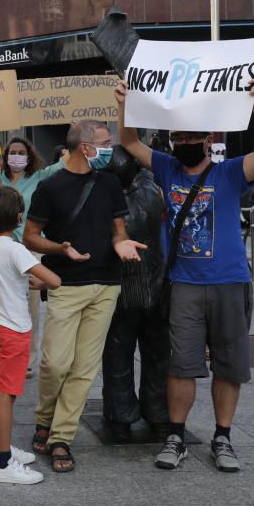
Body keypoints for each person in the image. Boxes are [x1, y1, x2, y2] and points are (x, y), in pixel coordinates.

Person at [116, 78, 254, 472]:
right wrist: (125, 104)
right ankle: (176, 435)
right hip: (186, 285)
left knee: (229, 365)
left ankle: (222, 438)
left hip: (229, 282)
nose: (183, 142)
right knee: (181, 365)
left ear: (208, 139)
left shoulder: (229, 173)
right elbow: (130, 142)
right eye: (177, 136)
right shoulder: (169, 167)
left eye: (190, 136)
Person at [23, 120, 146, 473]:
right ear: (86, 147)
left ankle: (61, 437)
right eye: (106, 142)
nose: (112, 149)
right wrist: (59, 248)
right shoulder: (51, 186)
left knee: (84, 368)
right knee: (55, 363)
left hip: (107, 285)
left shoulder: (109, 183)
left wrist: (123, 245)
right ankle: (45, 418)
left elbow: (118, 231)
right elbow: (31, 237)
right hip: (65, 285)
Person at [0, 187, 61, 484]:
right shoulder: (15, 249)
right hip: (14, 330)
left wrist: (21, 280)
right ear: (20, 217)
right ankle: (3, 463)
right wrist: (35, 278)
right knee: (6, 394)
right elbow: (55, 281)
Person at [0, 136, 65, 378]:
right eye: (12, 152)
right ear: (5, 156)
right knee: (3, 300)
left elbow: (62, 166)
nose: (17, 157)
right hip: (1, 250)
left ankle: (28, 359)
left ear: (29, 155)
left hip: (28, 249)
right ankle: (4, 347)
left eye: (21, 152)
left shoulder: (39, 177)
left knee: (30, 306)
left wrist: (74, 142)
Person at [100, 147, 169, 440]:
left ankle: (120, 416)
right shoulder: (152, 191)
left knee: (118, 352)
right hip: (156, 284)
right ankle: (159, 414)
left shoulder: (107, 202)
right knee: (157, 354)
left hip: (122, 288)